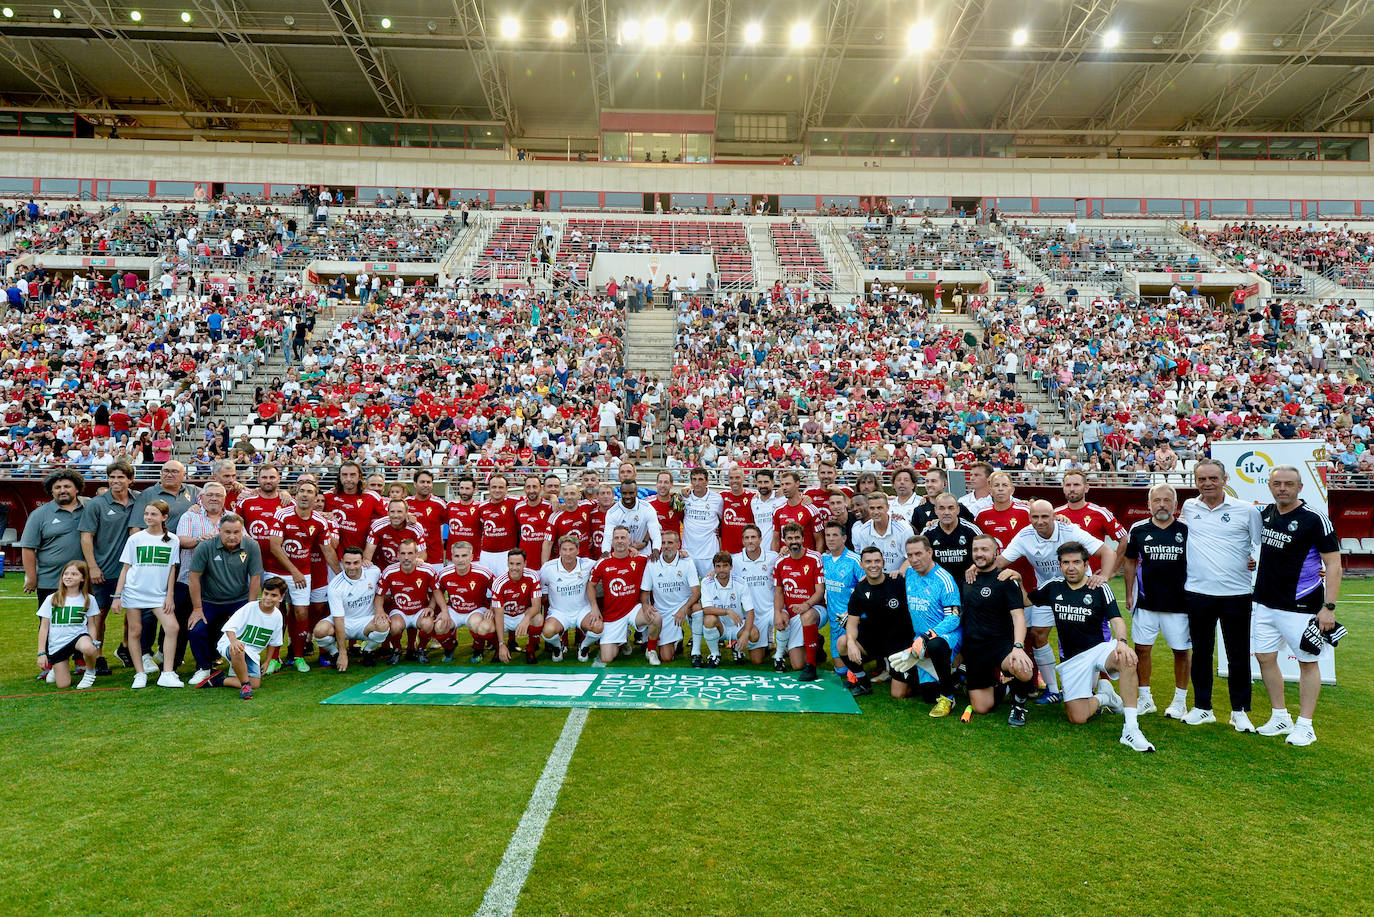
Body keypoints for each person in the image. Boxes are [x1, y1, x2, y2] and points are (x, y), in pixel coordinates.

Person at [1023, 543, 1156, 753]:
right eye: (1066, 562)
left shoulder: (1099, 587)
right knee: (1078, 717)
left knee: (1126, 659)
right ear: (1060, 565)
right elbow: (1026, 601)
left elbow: (1118, 620)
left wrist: (1122, 643)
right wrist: (1016, 579)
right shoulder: (1053, 587)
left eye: (1076, 562)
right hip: (1072, 659)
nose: (1071, 567)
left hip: (1099, 649)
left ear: (1086, 565)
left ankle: (1131, 728)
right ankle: (1106, 697)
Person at [1251, 466, 1342, 746]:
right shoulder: (1265, 514)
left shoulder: (1315, 519)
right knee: (1265, 658)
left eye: (1288, 484)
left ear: (1300, 487)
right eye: (1277, 483)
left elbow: (1334, 564)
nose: (1282, 488)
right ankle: (1280, 716)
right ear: (1269, 486)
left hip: (1302, 605)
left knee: (1307, 662)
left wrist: (1329, 607)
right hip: (1265, 602)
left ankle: (1306, 725)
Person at [996, 499, 1113, 704]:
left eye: (1045, 516)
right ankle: (1052, 690)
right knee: (1038, 635)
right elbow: (1000, 562)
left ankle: (1093, 689)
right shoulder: (1024, 536)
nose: (1040, 521)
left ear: (1053, 516)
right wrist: (976, 568)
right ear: (1029, 517)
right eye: (1035, 517)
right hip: (1048, 592)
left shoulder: (1069, 530)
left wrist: (1104, 577)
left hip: (1079, 590)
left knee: (1084, 638)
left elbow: (1107, 551)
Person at [1181, 458, 1262, 732]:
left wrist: (1254, 562)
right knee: (1201, 654)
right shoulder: (1189, 508)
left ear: (1225, 479)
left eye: (1213, 478)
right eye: (1202, 479)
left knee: (1238, 655)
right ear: (1196, 482)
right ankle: (1202, 707)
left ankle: (1239, 711)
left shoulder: (1246, 510)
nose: (1208, 483)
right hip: (1198, 593)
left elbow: (1261, 545)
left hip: (1237, 594)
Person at [1122, 484, 1191, 720]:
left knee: (1181, 651)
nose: (1162, 504)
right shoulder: (1138, 529)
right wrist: (1130, 593)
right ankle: (1145, 698)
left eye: (1167, 500)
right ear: (1149, 504)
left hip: (1179, 605)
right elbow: (1130, 561)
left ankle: (1180, 701)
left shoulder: (1186, 529)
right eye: (1157, 500)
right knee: (1141, 649)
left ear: (1175, 504)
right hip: (1146, 602)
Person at [960, 534, 1034, 725]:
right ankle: (1006, 686)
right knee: (981, 708)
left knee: (1022, 668)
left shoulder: (1006, 579)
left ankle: (1018, 708)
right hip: (975, 649)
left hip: (1001, 646)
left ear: (996, 552)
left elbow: (1018, 616)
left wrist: (1018, 646)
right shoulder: (968, 577)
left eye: (984, 549)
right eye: (975, 550)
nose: (979, 554)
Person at [267, 480, 337, 672]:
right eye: (302, 491)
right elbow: (274, 546)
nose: (305, 495)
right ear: (296, 495)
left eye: (310, 492)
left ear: (316, 499)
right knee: (275, 612)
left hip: (303, 573)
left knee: (301, 613)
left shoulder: (320, 521)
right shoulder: (282, 514)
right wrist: (294, 571)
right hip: (277, 571)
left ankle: (298, 656)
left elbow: (328, 551)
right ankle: (273, 658)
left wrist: (341, 575)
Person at [111, 500, 182, 688]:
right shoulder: (135, 539)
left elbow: (172, 569)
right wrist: (117, 597)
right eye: (147, 514)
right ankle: (139, 673)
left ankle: (167, 673)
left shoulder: (173, 540)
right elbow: (126, 568)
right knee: (135, 631)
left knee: (172, 627)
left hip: (159, 595)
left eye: (153, 514)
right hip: (134, 592)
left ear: (164, 517)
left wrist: (169, 595)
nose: (148, 518)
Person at [79, 459, 137, 676]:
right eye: (111, 477)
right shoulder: (96, 504)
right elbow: (86, 537)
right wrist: (92, 567)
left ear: (130, 480)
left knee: (132, 613)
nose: (115, 481)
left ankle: (125, 648)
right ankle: (99, 654)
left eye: (121, 477)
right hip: (103, 570)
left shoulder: (139, 501)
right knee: (99, 614)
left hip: (131, 571)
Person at [897, 535, 963, 716]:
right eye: (910, 555)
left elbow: (954, 618)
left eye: (918, 553)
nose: (914, 559)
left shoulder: (944, 579)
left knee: (935, 645)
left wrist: (927, 636)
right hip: (921, 638)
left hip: (945, 635)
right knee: (928, 695)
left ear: (929, 552)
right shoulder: (910, 574)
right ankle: (957, 676)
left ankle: (948, 697)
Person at [839, 547, 915, 697]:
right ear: (861, 565)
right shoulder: (860, 590)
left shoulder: (898, 582)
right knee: (842, 643)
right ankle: (862, 682)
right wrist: (851, 643)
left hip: (899, 645)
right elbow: (852, 624)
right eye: (868, 562)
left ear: (883, 563)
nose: (873, 565)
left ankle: (916, 675)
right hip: (874, 642)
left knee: (898, 694)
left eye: (877, 561)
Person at [172, 482, 227, 670]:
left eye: (218, 495)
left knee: (214, 624)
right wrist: (198, 541)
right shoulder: (190, 516)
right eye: (210, 494)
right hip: (188, 581)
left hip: (218, 583)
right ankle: (174, 660)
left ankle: (209, 657)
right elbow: (180, 540)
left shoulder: (231, 518)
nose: (214, 498)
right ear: (201, 498)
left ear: (224, 499)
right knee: (181, 623)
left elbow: (243, 539)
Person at [210, 577, 288, 700]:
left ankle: (220, 680)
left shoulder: (278, 616)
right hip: (230, 643)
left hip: (251, 652)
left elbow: (274, 642)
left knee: (256, 684)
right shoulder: (250, 607)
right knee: (238, 648)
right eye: (266, 594)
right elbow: (229, 627)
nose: (268, 598)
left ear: (282, 597)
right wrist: (234, 641)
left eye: (273, 595)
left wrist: (267, 661)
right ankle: (245, 687)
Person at [583, 526, 652, 663]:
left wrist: (681, 553)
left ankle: (651, 650)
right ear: (612, 541)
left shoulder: (641, 558)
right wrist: (594, 607)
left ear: (629, 541)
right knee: (607, 658)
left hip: (634, 609)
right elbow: (591, 585)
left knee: (655, 617)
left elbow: (662, 559)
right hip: (613, 615)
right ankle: (623, 639)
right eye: (617, 538)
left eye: (623, 538)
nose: (620, 541)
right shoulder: (603, 562)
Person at [21, 469, 86, 610]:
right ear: (51, 491)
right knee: (49, 625)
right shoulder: (39, 515)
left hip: (84, 581)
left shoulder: (90, 509)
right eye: (57, 487)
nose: (62, 490)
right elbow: (28, 548)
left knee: (84, 624)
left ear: (77, 489)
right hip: (50, 582)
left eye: (67, 486)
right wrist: (31, 578)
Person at [316, 547, 389, 671]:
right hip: (344, 622)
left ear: (363, 562)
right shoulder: (335, 586)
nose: (352, 567)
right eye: (347, 563)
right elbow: (338, 619)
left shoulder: (374, 572)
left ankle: (368, 651)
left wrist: (380, 610)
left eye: (356, 562)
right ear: (342, 562)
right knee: (319, 631)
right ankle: (335, 653)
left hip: (366, 622)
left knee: (383, 624)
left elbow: (382, 593)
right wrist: (343, 653)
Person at [36, 560, 101, 690]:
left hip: (78, 637)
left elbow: (92, 624)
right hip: (58, 644)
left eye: (74, 574)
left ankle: (90, 672)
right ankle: (56, 668)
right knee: (63, 685)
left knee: (89, 648)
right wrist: (41, 653)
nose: (69, 577)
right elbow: (44, 627)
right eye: (66, 574)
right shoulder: (52, 599)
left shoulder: (89, 599)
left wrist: (93, 642)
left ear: (83, 578)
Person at [772, 522, 825, 680]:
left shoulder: (815, 557)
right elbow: (779, 591)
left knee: (807, 616)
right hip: (793, 613)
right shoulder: (780, 562)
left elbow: (820, 591)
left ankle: (812, 666)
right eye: (789, 538)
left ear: (803, 539)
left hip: (816, 609)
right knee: (796, 665)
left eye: (797, 537)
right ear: (784, 540)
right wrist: (777, 613)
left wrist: (806, 605)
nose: (793, 541)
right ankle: (816, 642)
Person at [432, 540, 497, 663]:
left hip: (476, 609)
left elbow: (497, 590)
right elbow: (437, 591)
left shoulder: (483, 572)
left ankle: (478, 650)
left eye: (464, 555)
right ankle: (450, 647)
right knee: (439, 626)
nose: (460, 560)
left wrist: (492, 609)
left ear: (471, 557)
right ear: (452, 557)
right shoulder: (444, 573)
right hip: (454, 610)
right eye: (457, 556)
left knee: (478, 624)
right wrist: (444, 610)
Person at [641, 529, 700, 664]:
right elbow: (645, 592)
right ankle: (675, 640)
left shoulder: (687, 561)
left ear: (678, 545)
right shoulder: (652, 563)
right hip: (664, 612)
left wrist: (684, 608)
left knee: (697, 608)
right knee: (666, 658)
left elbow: (696, 592)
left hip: (684, 607)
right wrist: (646, 605)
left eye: (670, 542)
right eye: (663, 543)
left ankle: (696, 652)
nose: (666, 546)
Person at [375, 538, 436, 665]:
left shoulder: (427, 570)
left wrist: (431, 607)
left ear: (417, 554)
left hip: (420, 610)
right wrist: (380, 611)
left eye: (410, 553)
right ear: (398, 555)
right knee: (394, 626)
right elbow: (379, 595)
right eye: (403, 553)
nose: (406, 557)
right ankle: (397, 649)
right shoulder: (389, 571)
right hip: (399, 611)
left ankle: (421, 649)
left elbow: (435, 593)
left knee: (428, 624)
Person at [538, 535, 597, 663]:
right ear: (559, 551)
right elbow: (541, 585)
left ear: (578, 550)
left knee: (598, 627)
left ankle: (584, 646)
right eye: (564, 549)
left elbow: (606, 564)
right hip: (559, 613)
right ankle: (558, 647)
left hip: (582, 611)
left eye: (571, 549)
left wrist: (631, 551)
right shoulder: (548, 568)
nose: (567, 553)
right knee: (548, 631)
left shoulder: (587, 564)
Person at [733, 524, 780, 665]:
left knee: (784, 619)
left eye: (753, 537)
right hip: (749, 615)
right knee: (756, 661)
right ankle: (754, 644)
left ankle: (781, 653)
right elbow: (720, 571)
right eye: (746, 538)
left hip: (770, 611)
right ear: (742, 541)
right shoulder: (735, 560)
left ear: (760, 539)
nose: (750, 541)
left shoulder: (773, 557)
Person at [821, 521, 864, 675]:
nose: (830, 539)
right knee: (840, 670)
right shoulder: (823, 559)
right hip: (834, 622)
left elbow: (866, 588)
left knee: (851, 668)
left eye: (835, 535)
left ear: (844, 538)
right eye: (827, 535)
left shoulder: (855, 560)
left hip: (851, 621)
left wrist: (855, 614)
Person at [697, 551, 754, 667]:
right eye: (718, 566)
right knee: (709, 620)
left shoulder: (741, 583)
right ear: (714, 568)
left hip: (737, 625)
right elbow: (706, 609)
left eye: (725, 566)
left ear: (731, 567)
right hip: (720, 627)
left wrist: (746, 633)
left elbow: (750, 611)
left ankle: (737, 649)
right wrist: (727, 611)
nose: (721, 569)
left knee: (754, 634)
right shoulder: (707, 582)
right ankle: (715, 654)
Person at [491, 549, 544, 664]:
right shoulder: (499, 583)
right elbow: (499, 615)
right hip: (505, 617)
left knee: (538, 619)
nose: (514, 567)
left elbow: (536, 606)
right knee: (485, 627)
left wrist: (526, 619)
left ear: (525, 563)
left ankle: (530, 649)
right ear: (507, 563)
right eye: (511, 564)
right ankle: (499, 648)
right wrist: (501, 643)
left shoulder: (533, 576)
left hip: (522, 615)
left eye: (518, 564)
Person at [921, 493, 981, 581]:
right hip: (937, 585)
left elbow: (988, 554)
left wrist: (975, 566)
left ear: (958, 510)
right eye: (942, 508)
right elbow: (918, 557)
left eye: (951, 508)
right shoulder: (927, 533)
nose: (946, 512)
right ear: (935, 510)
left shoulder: (971, 530)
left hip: (967, 583)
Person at [852, 491, 913, 574]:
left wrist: (899, 573)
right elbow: (865, 558)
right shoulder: (863, 530)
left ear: (888, 507)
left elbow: (911, 557)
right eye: (872, 508)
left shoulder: (904, 530)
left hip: (899, 578)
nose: (876, 512)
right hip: (875, 578)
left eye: (879, 508)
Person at [681, 467, 724, 579]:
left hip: (709, 554)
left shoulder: (717, 499)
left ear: (707, 481)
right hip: (688, 553)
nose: (697, 483)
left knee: (710, 588)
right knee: (690, 590)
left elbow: (722, 519)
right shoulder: (684, 497)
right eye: (694, 479)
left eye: (700, 479)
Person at [600, 481, 662, 557]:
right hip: (621, 554)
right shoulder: (612, 512)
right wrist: (605, 552)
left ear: (636, 492)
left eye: (631, 493)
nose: (628, 496)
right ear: (621, 493)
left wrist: (656, 550)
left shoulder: (647, 508)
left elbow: (655, 533)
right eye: (624, 493)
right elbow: (608, 537)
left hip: (644, 553)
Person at [477, 473, 521, 573]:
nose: (497, 490)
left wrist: (552, 496)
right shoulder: (481, 507)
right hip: (486, 554)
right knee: (487, 586)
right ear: (489, 488)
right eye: (494, 487)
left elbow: (535, 499)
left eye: (501, 487)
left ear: (507, 489)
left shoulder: (515, 502)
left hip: (507, 553)